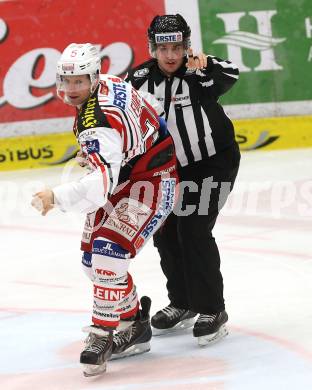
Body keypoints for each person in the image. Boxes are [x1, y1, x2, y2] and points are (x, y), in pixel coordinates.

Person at [31, 43, 178, 376]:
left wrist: (56, 196)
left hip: (152, 182)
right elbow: (150, 110)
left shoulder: (96, 121)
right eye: (66, 81)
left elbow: (98, 188)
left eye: (78, 82)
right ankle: (134, 323)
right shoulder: (109, 83)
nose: (70, 90)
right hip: (128, 175)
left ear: (93, 78)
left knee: (108, 255)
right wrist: (127, 148)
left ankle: (101, 334)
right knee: (90, 262)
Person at [125, 14, 241, 346]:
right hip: (170, 170)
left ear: (187, 46)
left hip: (214, 164)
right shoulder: (140, 78)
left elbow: (231, 74)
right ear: (153, 48)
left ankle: (212, 309)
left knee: (193, 228)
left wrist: (205, 65)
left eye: (177, 46)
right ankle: (183, 302)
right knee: (165, 233)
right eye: (164, 48)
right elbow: (124, 117)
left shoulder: (200, 70)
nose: (171, 55)